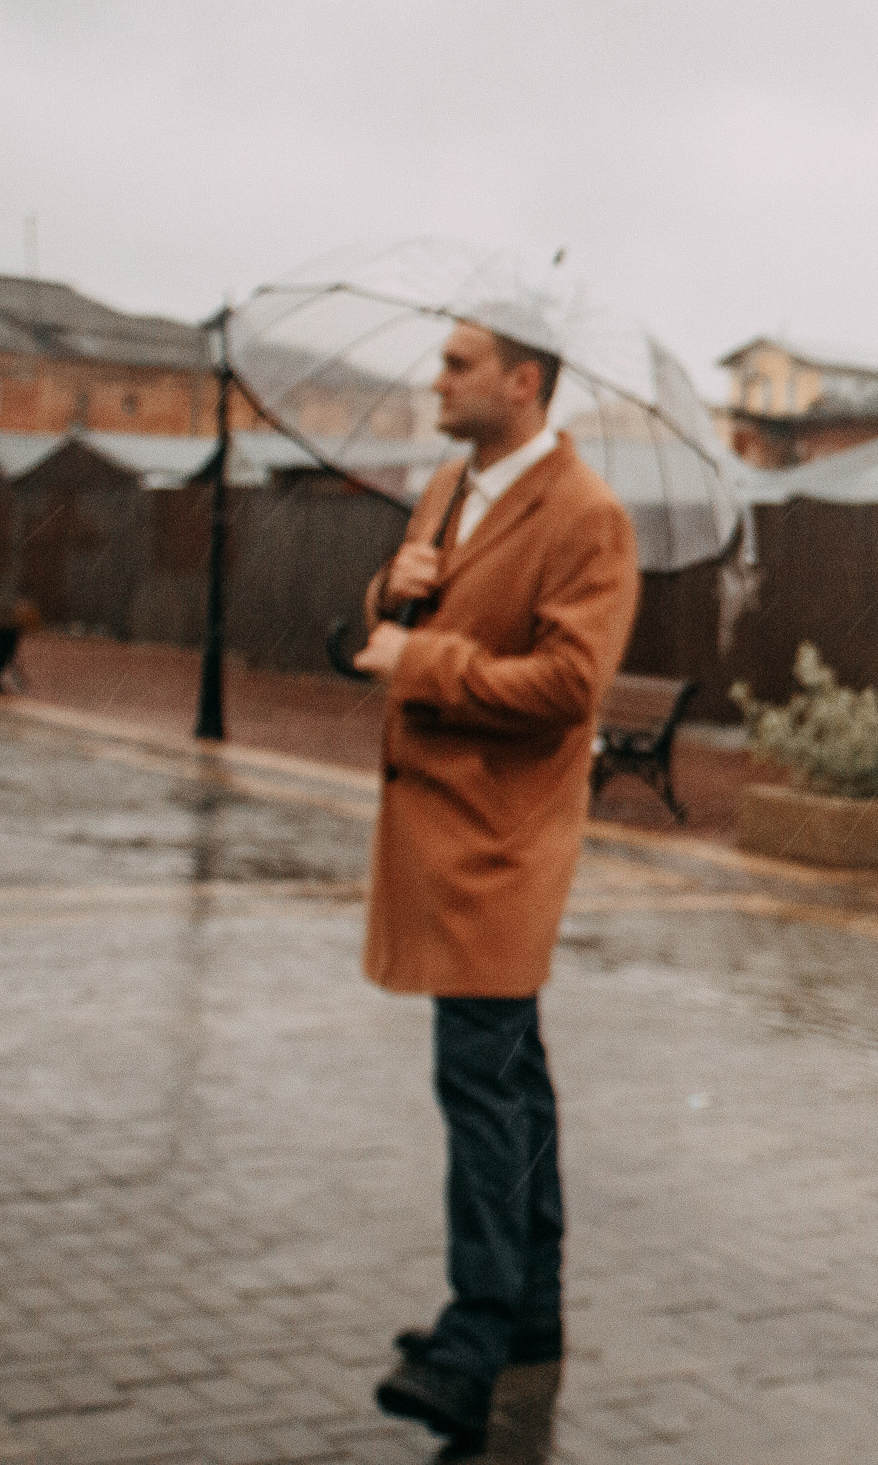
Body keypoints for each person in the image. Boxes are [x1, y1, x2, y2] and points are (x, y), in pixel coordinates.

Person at [350, 307, 639, 1453]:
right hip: (438, 831)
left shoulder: (588, 517)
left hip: (501, 843)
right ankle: (530, 1316)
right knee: (507, 1077)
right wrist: (394, 588)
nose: (438, 379)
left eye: (458, 366)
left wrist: (417, 656)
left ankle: (474, 1342)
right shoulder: (447, 488)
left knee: (479, 1083)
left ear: (522, 383)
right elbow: (388, 630)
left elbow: (570, 684)